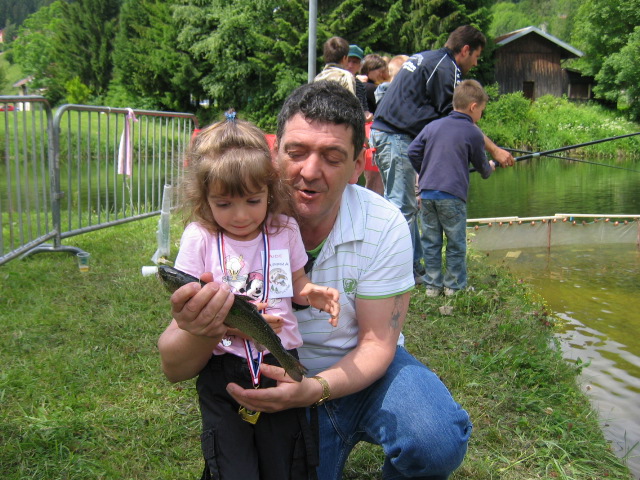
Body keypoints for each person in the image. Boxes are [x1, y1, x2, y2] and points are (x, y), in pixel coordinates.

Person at [159, 81, 472, 480]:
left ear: (358, 165)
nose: (310, 171)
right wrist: (204, 327)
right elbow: (174, 367)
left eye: (332, 157)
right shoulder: (222, 228)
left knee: (436, 438)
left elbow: (378, 343)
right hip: (271, 381)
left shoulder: (385, 225)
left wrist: (315, 389)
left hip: (361, 377)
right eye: (296, 152)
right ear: (274, 154)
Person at [158, 111, 341, 480]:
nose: (240, 215)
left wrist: (311, 292)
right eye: (224, 204)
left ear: (270, 192)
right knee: (232, 465)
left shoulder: (284, 229)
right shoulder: (200, 237)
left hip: (280, 359)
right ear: (204, 198)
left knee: (285, 461)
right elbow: (191, 305)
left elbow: (296, 281)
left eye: (253, 201)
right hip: (223, 366)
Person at [370, 25, 515, 284]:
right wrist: (494, 150)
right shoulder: (447, 68)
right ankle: (400, 272)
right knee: (402, 208)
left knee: (405, 206)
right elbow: (459, 120)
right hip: (395, 136)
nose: (476, 63)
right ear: (465, 50)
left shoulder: (427, 57)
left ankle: (414, 267)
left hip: (388, 134)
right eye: (476, 56)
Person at [408, 80, 495, 297]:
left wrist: (425, 172)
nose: (481, 115)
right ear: (473, 107)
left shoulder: (433, 126)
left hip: (427, 193)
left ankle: (432, 286)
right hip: (452, 195)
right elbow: (483, 168)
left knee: (431, 241)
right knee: (455, 242)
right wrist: (491, 166)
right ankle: (453, 287)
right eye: (481, 111)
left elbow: (412, 151)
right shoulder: (473, 132)